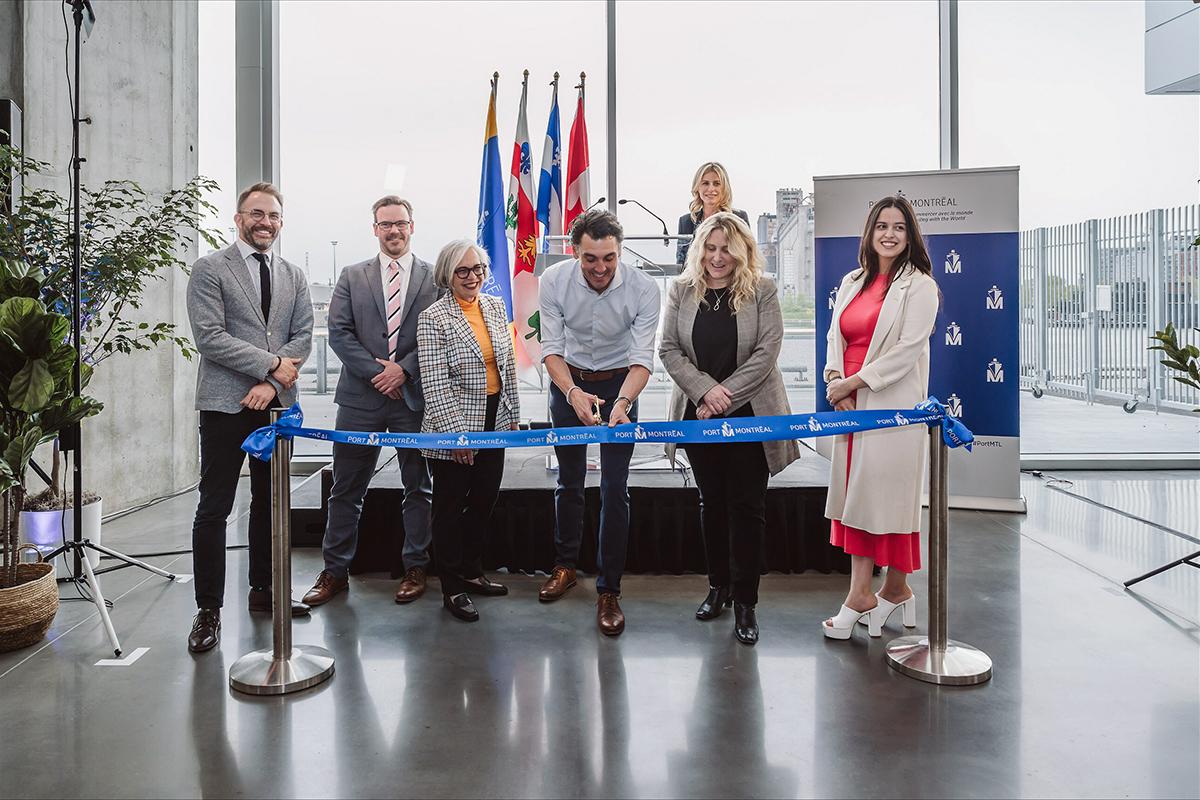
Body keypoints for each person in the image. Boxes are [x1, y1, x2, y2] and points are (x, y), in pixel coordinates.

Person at [185, 182, 314, 653]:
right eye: (256, 213)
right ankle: (208, 610)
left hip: (276, 405)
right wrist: (269, 365)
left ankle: (265, 592)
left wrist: (273, 382)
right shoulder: (209, 269)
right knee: (214, 508)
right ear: (238, 218)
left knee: (271, 504)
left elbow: (302, 336)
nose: (265, 222)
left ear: (281, 222)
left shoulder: (295, 275)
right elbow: (210, 338)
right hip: (224, 405)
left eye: (274, 215)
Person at [659, 212, 799, 645]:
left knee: (747, 509)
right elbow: (668, 349)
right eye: (711, 248)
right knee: (711, 504)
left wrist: (724, 397)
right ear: (700, 248)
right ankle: (717, 586)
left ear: (741, 252)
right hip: (699, 417)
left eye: (726, 250)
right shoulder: (681, 290)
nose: (717, 258)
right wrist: (704, 392)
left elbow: (766, 351)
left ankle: (746, 602)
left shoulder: (762, 290)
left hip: (749, 418)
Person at [301, 196, 437, 608]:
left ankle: (416, 567)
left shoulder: (434, 278)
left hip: (413, 399)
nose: (393, 231)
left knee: (419, 487)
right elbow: (339, 332)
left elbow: (438, 333)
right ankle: (335, 571)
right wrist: (380, 374)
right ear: (374, 228)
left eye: (400, 223)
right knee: (346, 487)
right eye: (385, 224)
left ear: (412, 225)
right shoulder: (351, 275)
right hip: (361, 399)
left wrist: (404, 371)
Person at [537, 208, 661, 636]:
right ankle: (565, 566)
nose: (601, 268)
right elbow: (550, 348)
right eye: (591, 258)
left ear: (620, 251)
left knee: (614, 488)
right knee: (568, 481)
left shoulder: (644, 288)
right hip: (568, 382)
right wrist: (571, 392)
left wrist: (622, 402)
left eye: (609, 257)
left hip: (621, 388)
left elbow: (643, 358)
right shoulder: (553, 281)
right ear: (575, 252)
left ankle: (609, 589)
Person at [821, 195, 939, 640]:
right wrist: (836, 379)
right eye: (882, 226)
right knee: (856, 497)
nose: (889, 234)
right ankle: (895, 588)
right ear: (870, 233)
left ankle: (863, 595)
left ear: (910, 236)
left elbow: (907, 352)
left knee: (884, 499)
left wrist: (854, 384)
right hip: (849, 405)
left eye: (899, 227)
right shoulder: (853, 280)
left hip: (890, 405)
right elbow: (836, 336)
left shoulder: (920, 285)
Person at [416, 240, 521, 623]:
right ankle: (452, 586)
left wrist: (513, 416)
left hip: (496, 420)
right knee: (448, 509)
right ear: (447, 275)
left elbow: (508, 368)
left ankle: (473, 572)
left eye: (479, 269)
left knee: (483, 501)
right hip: (454, 424)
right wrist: (456, 437)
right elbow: (434, 383)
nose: (473, 277)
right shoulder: (433, 318)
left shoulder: (494, 306)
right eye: (464, 271)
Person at [676, 162, 750, 266]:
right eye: (705, 183)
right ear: (697, 187)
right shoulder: (686, 221)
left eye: (716, 184)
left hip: (730, 280)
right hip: (696, 280)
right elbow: (682, 264)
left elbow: (747, 259)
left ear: (724, 188)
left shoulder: (738, 218)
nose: (711, 189)